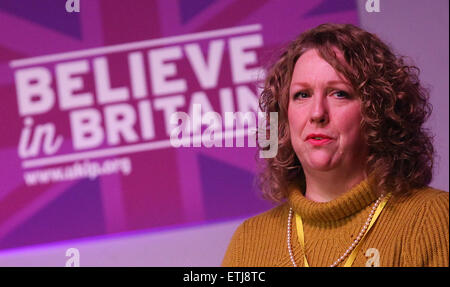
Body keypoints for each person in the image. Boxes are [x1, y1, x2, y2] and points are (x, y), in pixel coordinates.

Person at [221, 23, 449, 267]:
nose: (317, 112)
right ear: (285, 116)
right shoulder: (249, 243)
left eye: (339, 93)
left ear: (378, 112)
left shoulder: (431, 218)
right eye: (302, 95)